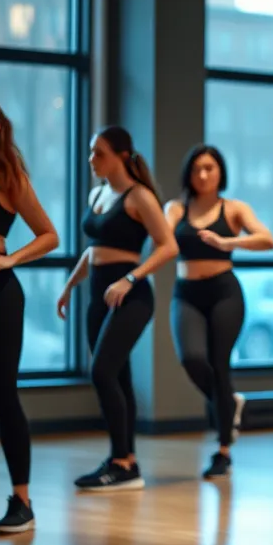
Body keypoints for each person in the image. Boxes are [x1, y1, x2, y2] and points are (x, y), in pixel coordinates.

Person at [57, 126, 178, 492]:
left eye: (99, 153)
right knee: (118, 376)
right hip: (98, 296)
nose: (91, 159)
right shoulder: (98, 194)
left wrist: (130, 278)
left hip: (131, 298)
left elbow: (168, 246)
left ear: (122, 156)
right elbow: (93, 249)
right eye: (91, 152)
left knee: (102, 371)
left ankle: (122, 461)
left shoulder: (139, 196)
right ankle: (125, 462)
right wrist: (70, 285)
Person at [0, 95, 58, 532]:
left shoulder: (7, 177)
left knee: (2, 393)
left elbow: (49, 235)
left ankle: (21, 502)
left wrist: (10, 259)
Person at [165, 145, 273, 479]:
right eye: (196, 169)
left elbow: (267, 240)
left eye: (209, 168)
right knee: (192, 359)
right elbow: (161, 239)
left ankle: (223, 450)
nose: (202, 175)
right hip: (186, 294)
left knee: (219, 363)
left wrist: (229, 243)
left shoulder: (234, 209)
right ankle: (228, 401)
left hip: (224, 292)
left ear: (220, 172)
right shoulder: (176, 208)